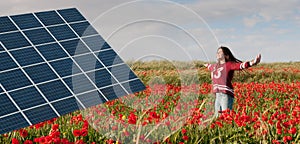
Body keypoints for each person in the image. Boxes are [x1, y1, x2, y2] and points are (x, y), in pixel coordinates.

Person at [204, 46, 261, 117]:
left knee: (226, 116)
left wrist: (253, 62)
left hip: (226, 94)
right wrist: (206, 65)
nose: (218, 53)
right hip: (218, 95)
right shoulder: (215, 66)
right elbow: (209, 66)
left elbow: (240, 65)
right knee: (217, 117)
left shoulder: (229, 65)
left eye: (220, 52)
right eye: (217, 52)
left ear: (226, 55)